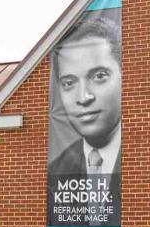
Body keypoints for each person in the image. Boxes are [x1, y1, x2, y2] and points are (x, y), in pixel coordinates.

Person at [48, 15, 122, 177]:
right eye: (69, 83)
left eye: (99, 76)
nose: (83, 97)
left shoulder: (147, 152)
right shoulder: (56, 169)